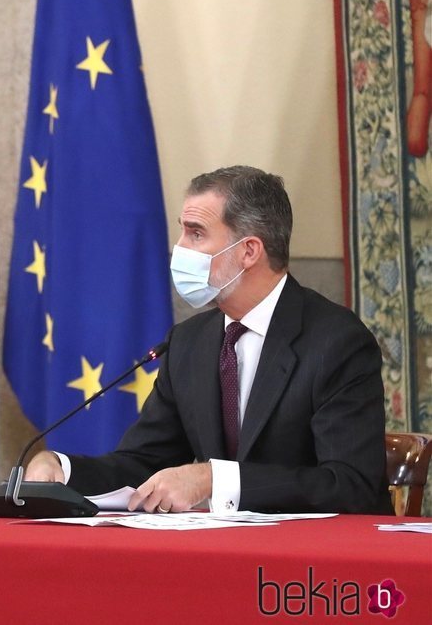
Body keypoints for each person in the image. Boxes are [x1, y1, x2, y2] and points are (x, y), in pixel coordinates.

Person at [25, 166, 391, 514]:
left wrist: (214, 479)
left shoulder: (336, 342)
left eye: (196, 233)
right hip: (225, 552)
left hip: (318, 561)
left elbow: (348, 485)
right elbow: (143, 464)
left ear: (249, 251)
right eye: (182, 231)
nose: (179, 248)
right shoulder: (188, 341)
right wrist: (62, 469)